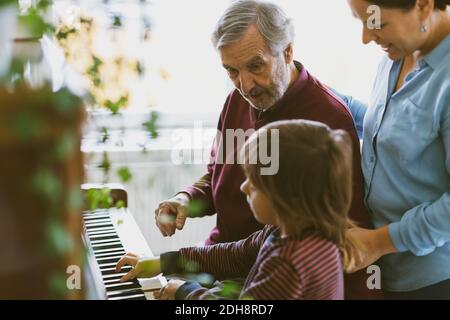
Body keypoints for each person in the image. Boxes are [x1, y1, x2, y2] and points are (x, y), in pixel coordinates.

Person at [154, 0, 381, 299]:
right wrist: (185, 198)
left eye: (255, 66)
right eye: (231, 71)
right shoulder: (238, 100)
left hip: (261, 281)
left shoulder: (328, 119)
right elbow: (219, 175)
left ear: (287, 51)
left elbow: (344, 231)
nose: (245, 85)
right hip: (220, 262)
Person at [117, 120, 359, 300]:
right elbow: (234, 255)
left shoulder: (290, 262)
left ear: (286, 196)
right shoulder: (284, 231)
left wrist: (186, 293)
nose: (244, 187)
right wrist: (164, 262)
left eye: (254, 182)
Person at [339, 0, 450, 299]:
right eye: (360, 22)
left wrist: (379, 242)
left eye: (376, 23)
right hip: (383, 273)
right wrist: (318, 92)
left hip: (432, 283)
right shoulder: (395, 56)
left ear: (424, 6)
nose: (365, 37)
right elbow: (389, 130)